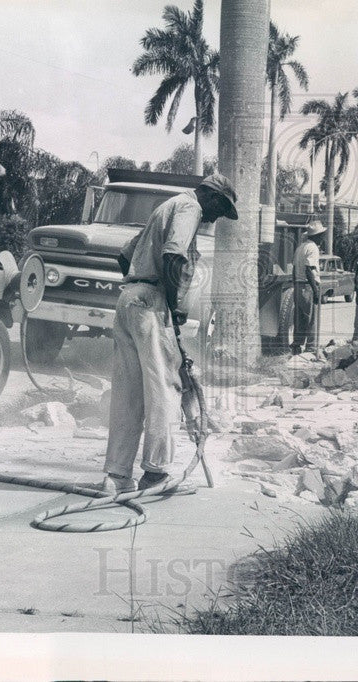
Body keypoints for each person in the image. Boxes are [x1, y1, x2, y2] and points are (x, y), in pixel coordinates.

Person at [101, 173, 238, 495]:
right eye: (221, 209)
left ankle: (117, 475)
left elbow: (124, 254)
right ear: (212, 196)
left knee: (128, 392)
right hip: (151, 302)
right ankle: (155, 473)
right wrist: (172, 303)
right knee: (165, 388)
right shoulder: (190, 208)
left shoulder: (167, 206)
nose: (216, 217)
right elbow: (174, 256)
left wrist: (138, 285)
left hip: (129, 299)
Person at [291, 219, 326, 355]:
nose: (323, 237)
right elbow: (309, 270)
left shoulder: (300, 247)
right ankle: (311, 349)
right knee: (312, 320)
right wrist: (316, 291)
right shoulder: (313, 248)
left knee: (299, 319)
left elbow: (294, 270)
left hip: (299, 285)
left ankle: (296, 346)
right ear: (317, 236)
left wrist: (296, 286)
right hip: (308, 286)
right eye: (322, 235)